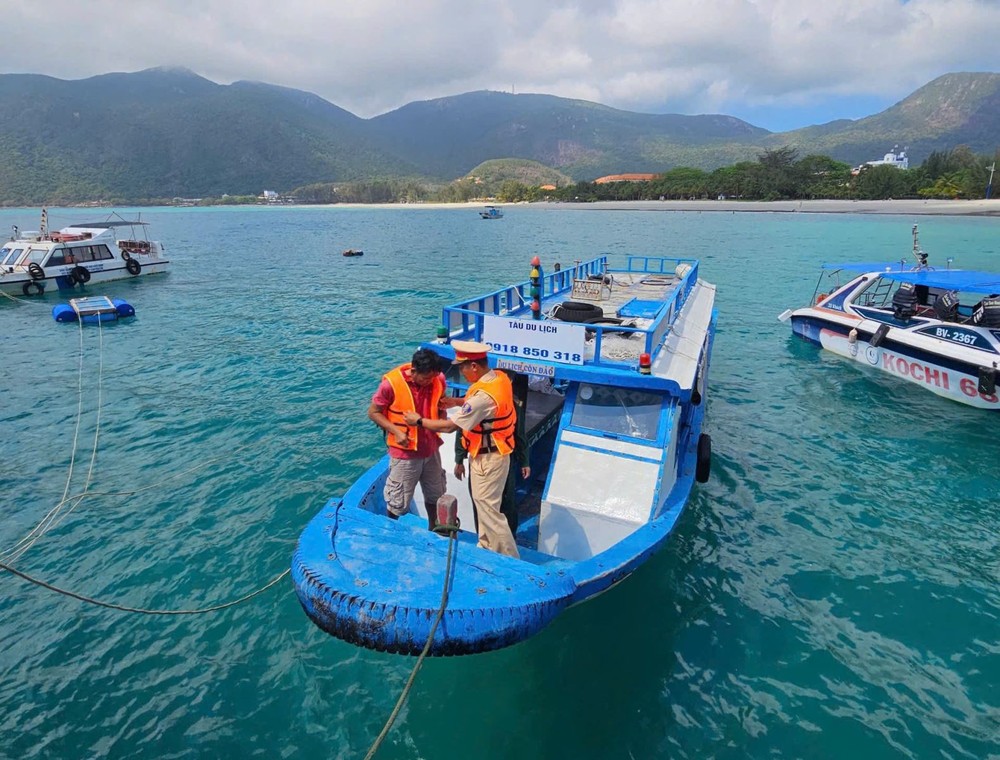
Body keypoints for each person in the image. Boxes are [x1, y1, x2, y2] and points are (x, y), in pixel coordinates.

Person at [404, 340, 519, 558]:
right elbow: (480, 405)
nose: (462, 372)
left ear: (474, 366)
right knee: (483, 505)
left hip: (489, 459)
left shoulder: (482, 397)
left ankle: (511, 560)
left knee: (489, 511)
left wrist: (418, 420)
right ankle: (486, 546)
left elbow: (449, 427)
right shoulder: (499, 378)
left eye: (462, 367)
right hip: (495, 453)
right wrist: (455, 402)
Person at [367, 348, 448, 530]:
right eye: (425, 378)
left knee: (436, 495)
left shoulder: (438, 380)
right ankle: (391, 529)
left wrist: (442, 414)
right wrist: (396, 431)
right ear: (413, 371)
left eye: (432, 378)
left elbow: (440, 404)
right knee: (398, 501)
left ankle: (434, 530)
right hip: (405, 453)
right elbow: (373, 412)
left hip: (431, 449)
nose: (429, 382)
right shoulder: (391, 385)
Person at [454, 369, 529, 536]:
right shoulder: (484, 401)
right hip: (481, 457)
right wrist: (459, 459)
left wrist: (524, 461)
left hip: (501, 456)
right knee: (482, 501)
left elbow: (519, 435)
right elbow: (463, 430)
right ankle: (486, 537)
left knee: (504, 501)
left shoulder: (511, 405)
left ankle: (507, 537)